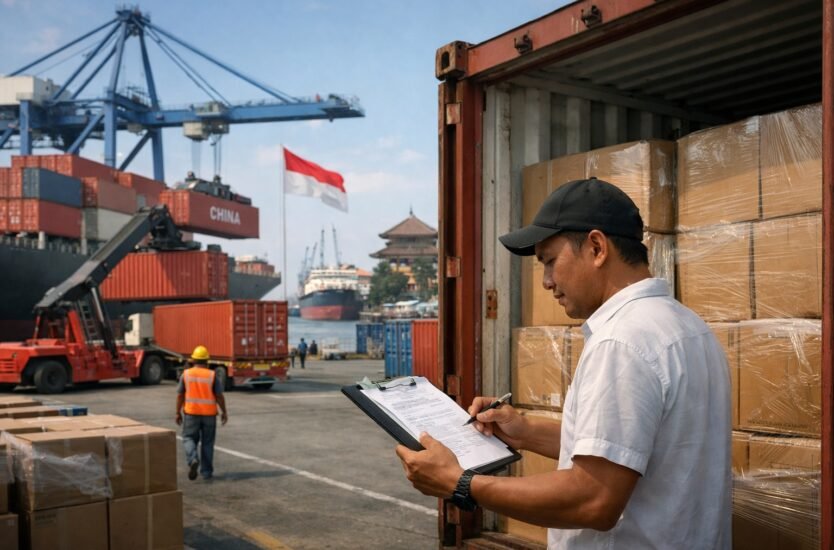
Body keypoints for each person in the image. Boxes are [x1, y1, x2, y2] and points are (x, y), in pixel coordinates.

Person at [396, 178, 731, 548]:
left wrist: (460, 483)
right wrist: (523, 431)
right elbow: (625, 448)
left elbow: (593, 499)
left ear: (597, 247)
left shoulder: (622, 342)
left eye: (551, 261)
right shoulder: (686, 326)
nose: (546, 282)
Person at [175, 345, 229, 481]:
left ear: (193, 360)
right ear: (207, 360)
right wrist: (224, 412)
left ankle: (193, 459)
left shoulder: (186, 374)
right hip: (209, 415)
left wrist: (177, 412)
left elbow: (180, 395)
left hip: (191, 413)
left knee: (188, 438)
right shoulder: (212, 375)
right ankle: (206, 472)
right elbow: (219, 396)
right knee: (207, 443)